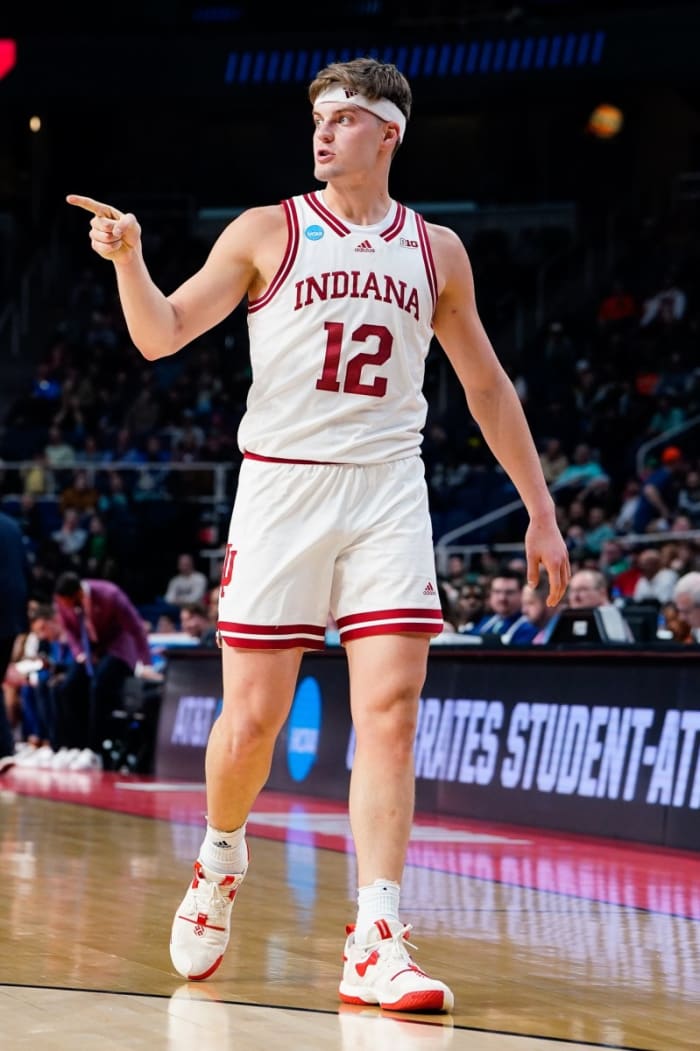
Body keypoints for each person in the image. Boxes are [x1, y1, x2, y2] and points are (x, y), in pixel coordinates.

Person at [68, 56, 570, 1012]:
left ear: (391, 135)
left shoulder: (438, 251)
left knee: (392, 708)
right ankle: (219, 858)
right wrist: (130, 259)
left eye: (345, 118)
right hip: (283, 490)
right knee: (250, 723)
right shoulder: (269, 230)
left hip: (387, 488)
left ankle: (376, 933)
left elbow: (487, 388)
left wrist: (540, 509)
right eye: (318, 118)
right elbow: (162, 333)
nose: (324, 131)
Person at [52, 570, 155, 768]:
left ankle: (94, 750)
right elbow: (70, 632)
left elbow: (136, 628)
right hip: (90, 650)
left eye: (67, 602)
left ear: (78, 594)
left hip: (118, 649)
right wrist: (80, 652)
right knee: (67, 687)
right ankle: (73, 747)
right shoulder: (61, 599)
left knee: (99, 685)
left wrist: (146, 663)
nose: (63, 607)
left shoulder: (110, 595)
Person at [0, 511, 30, 773]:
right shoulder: (12, 525)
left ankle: (4, 749)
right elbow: (25, 569)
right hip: (12, 618)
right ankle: (5, 749)